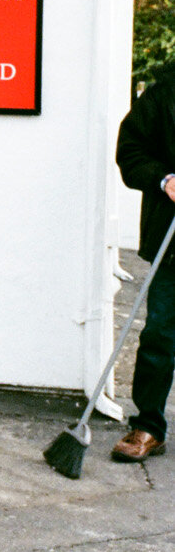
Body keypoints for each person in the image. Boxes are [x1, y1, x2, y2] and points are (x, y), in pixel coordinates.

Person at [113, 79, 175, 460]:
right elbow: (130, 152)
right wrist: (165, 179)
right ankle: (148, 427)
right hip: (173, 242)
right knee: (159, 336)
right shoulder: (164, 91)